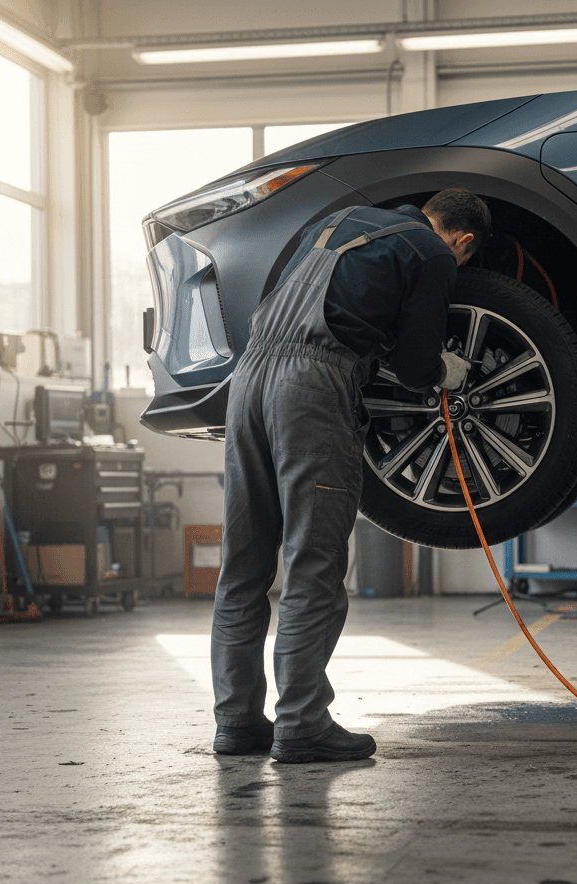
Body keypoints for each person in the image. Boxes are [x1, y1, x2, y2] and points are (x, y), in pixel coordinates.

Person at [209, 188, 492, 763]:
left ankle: (237, 722)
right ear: (462, 242)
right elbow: (415, 366)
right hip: (311, 386)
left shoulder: (338, 220)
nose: (455, 267)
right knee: (313, 560)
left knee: (243, 565)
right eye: (464, 260)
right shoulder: (434, 254)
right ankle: (302, 724)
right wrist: (446, 371)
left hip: (249, 378)